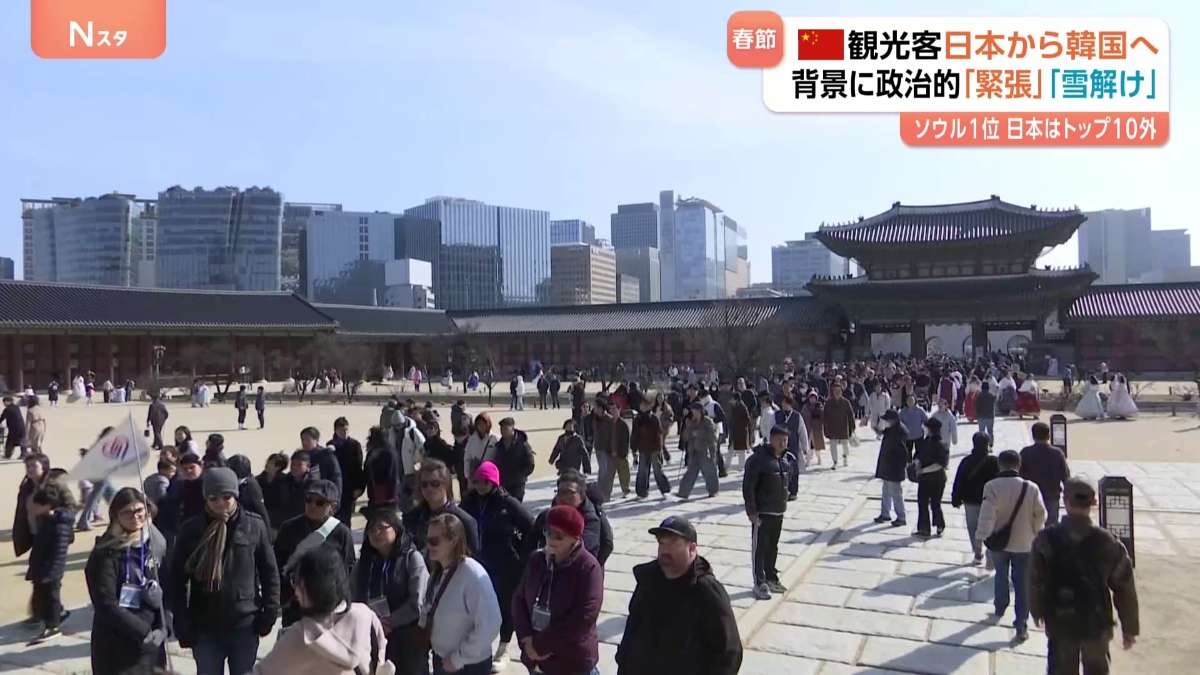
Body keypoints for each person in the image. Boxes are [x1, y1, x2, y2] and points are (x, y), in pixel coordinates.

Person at [168, 467, 280, 675]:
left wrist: (270, 612)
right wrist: (181, 621)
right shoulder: (191, 530)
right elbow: (176, 580)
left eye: (226, 497)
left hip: (244, 623)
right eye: (213, 498)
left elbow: (270, 573)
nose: (220, 503)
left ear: (235, 496)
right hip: (205, 626)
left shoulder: (254, 525)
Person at [1031, 476, 1139, 674]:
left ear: (1065, 501)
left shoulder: (1046, 539)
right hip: (1096, 619)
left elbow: (1035, 579)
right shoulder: (1109, 542)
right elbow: (1124, 586)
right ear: (1094, 502)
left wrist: (1036, 609)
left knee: (1060, 668)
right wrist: (1129, 627)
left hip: (1060, 618)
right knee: (1097, 668)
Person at [616, 515, 742, 675]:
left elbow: (729, 651)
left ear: (692, 549)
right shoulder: (648, 581)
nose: (665, 550)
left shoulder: (706, 590)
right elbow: (632, 629)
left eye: (673, 543)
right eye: (661, 543)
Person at [254, 545, 390, 675]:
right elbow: (380, 657)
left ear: (313, 588)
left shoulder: (302, 635)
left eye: (296, 581)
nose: (295, 591)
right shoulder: (364, 615)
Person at [513, 504, 604, 675]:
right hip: (536, 659)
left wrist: (541, 646)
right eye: (548, 533)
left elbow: (584, 617)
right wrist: (526, 639)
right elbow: (519, 599)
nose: (551, 540)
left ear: (574, 538)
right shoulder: (537, 559)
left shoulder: (588, 568)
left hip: (571, 662)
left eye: (559, 536)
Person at [85, 488, 169, 673]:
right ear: (116, 516)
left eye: (139, 510)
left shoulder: (153, 544)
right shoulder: (105, 552)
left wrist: (164, 625)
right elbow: (106, 603)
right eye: (127, 512)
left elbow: (167, 588)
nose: (135, 517)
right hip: (117, 644)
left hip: (152, 643)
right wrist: (143, 631)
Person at [461, 461, 534, 672]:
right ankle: (478, 644)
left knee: (505, 606)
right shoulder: (469, 501)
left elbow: (531, 526)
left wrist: (521, 554)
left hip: (505, 563)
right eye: (477, 481)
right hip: (478, 562)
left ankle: (504, 648)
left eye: (485, 481)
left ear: (494, 481)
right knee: (478, 605)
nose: (480, 485)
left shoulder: (507, 502)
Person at [976, 450, 1046, 641]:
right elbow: (1041, 514)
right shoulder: (1031, 487)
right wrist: (1035, 532)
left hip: (999, 542)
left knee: (1000, 574)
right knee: (1022, 582)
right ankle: (1021, 623)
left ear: (1000, 465)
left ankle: (1000, 605)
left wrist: (982, 537)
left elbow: (987, 514)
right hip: (1024, 542)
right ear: (1019, 465)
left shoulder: (992, 486)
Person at [421, 513, 503, 675]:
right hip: (442, 660)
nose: (429, 546)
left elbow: (491, 623)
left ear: (453, 541)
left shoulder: (472, 574)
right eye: (427, 540)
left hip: (467, 666)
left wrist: (458, 659)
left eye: (434, 541)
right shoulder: (437, 572)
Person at [353, 507, 429, 675]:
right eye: (371, 529)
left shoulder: (412, 558)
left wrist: (389, 622)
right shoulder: (363, 564)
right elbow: (354, 599)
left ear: (396, 529)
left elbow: (417, 602)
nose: (376, 533)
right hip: (372, 637)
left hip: (407, 637)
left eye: (382, 527)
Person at [275, 480, 357, 629]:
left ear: (333, 507)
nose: (312, 505)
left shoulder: (341, 533)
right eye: (308, 500)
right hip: (295, 605)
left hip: (328, 607)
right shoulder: (289, 528)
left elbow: (348, 569)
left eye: (320, 502)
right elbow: (277, 565)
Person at [743, 426, 792, 600]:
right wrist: (752, 511)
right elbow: (748, 487)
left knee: (773, 547)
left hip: (778, 511)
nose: (782, 443)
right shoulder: (758, 460)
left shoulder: (785, 459)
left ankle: (771, 577)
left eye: (785, 440)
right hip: (762, 513)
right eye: (779, 439)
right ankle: (759, 582)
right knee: (760, 548)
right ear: (771, 439)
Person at [528, 470, 614, 567]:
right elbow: (530, 543)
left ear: (581, 495)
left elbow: (581, 553)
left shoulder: (590, 519)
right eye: (560, 492)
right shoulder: (547, 515)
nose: (563, 497)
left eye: (569, 492)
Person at [26, 483, 77, 644]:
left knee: (51, 596)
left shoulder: (60, 525)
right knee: (45, 595)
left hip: (52, 569)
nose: (33, 508)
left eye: (36, 505)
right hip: (43, 565)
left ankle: (53, 626)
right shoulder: (46, 519)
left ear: (47, 505)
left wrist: (50, 571)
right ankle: (57, 614)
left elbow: (58, 552)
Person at [403, 459, 480, 554]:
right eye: (424, 484)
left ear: (446, 484)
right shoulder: (412, 517)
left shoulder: (464, 520)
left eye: (435, 484)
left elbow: (473, 556)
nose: (429, 488)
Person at [951, 432, 1001, 565]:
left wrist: (956, 498)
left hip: (971, 500)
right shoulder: (994, 461)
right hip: (990, 501)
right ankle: (990, 552)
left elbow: (959, 481)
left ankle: (977, 552)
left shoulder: (966, 461)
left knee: (973, 527)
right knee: (990, 526)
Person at [1020, 422, 1071, 526]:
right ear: (1049, 436)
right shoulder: (1057, 453)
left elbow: (1019, 475)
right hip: (1052, 495)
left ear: (1033, 436)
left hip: (1031, 496)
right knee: (1051, 526)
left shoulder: (1025, 453)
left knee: (1032, 526)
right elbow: (1066, 476)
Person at [912, 417, 950, 538]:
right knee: (922, 503)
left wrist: (923, 470)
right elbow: (918, 455)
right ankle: (924, 528)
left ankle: (939, 525)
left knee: (935, 503)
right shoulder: (925, 441)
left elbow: (940, 464)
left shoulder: (941, 445)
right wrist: (916, 463)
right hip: (924, 479)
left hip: (937, 478)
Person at [873, 410, 909, 528]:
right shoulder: (892, 429)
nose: (886, 422)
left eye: (887, 420)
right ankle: (885, 514)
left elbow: (903, 452)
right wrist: (876, 428)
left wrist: (901, 466)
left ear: (893, 420)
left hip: (894, 467)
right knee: (886, 491)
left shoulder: (900, 431)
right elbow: (883, 432)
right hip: (887, 466)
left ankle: (901, 517)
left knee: (896, 493)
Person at [677, 403, 720, 500]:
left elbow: (713, 435)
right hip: (694, 451)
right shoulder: (691, 422)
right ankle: (683, 493)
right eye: (693, 411)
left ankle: (713, 491)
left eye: (695, 411)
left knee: (709, 472)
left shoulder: (707, 421)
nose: (694, 413)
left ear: (700, 411)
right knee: (690, 473)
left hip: (705, 451)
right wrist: (687, 432)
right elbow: (685, 436)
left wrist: (699, 433)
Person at [330, 417, 366, 525]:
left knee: (346, 519)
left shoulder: (355, 445)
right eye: (342, 430)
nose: (345, 432)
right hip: (335, 488)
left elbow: (359, 467)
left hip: (349, 488)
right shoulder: (331, 446)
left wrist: (359, 487)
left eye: (346, 430)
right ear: (336, 430)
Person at [632, 397, 671, 499]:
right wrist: (634, 449)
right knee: (642, 471)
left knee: (657, 470)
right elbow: (634, 435)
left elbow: (659, 435)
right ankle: (642, 492)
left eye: (645, 405)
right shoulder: (637, 419)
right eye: (641, 405)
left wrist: (659, 449)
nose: (643, 407)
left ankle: (665, 490)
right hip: (643, 448)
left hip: (654, 449)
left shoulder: (653, 418)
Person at [596, 400, 632, 501]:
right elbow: (605, 437)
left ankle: (626, 490)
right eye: (611, 409)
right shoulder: (609, 423)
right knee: (608, 476)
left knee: (624, 473)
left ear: (619, 409)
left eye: (615, 409)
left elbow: (626, 440)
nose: (613, 411)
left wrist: (623, 453)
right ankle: (606, 494)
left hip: (621, 454)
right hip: (610, 453)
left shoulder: (623, 424)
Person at [493, 417, 535, 501]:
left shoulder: (522, 444)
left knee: (516, 506)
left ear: (512, 428)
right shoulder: (499, 445)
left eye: (505, 429)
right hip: (503, 483)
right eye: (501, 429)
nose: (502, 431)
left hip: (517, 484)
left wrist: (520, 475)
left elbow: (530, 464)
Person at [227, 454, 273, 530]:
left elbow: (261, 511)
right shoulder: (238, 483)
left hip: (250, 526)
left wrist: (266, 532)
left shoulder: (250, 487)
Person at [302, 427, 345, 506]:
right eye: (302, 440)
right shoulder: (302, 457)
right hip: (307, 500)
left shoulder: (327, 456)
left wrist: (336, 500)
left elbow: (336, 478)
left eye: (307, 439)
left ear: (316, 440)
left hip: (324, 499)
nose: (304, 442)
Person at [774, 395, 806, 498]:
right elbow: (771, 429)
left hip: (793, 446)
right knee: (780, 469)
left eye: (787, 403)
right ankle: (782, 491)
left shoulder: (797, 416)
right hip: (779, 446)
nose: (784, 405)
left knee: (793, 468)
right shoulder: (777, 415)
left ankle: (793, 491)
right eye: (783, 403)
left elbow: (802, 431)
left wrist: (805, 446)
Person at [823, 384, 856, 469]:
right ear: (833, 392)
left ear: (841, 392)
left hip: (843, 428)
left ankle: (845, 457)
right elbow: (825, 417)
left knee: (845, 445)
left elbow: (851, 415)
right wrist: (825, 428)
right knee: (833, 446)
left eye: (839, 391)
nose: (837, 393)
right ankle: (835, 461)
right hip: (832, 428)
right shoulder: (828, 403)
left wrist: (852, 427)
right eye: (835, 391)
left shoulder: (846, 402)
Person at [464, 413, 498, 479]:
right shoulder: (472, 439)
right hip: (475, 474)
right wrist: (467, 475)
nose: (481, 426)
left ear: (488, 424)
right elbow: (467, 458)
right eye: (479, 424)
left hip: (489, 474)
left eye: (484, 424)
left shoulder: (495, 438)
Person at [2, 395, 27, 459]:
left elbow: (2, 418)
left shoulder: (7, 409)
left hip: (14, 429)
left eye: (4, 402)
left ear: (8, 401)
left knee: (10, 442)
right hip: (21, 427)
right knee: (22, 441)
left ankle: (8, 455)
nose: (4, 404)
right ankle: (24, 454)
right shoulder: (16, 407)